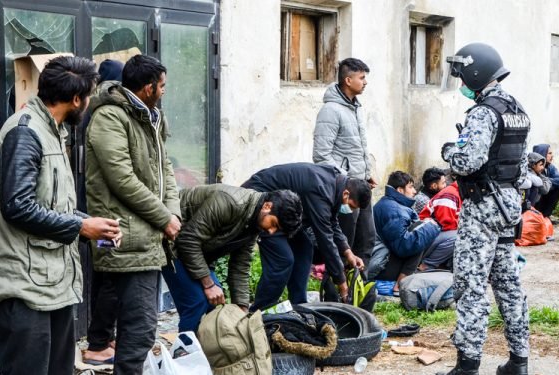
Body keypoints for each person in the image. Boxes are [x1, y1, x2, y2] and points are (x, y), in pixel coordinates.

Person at [0, 56, 121, 375]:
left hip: (53, 284)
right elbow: (17, 206)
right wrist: (81, 224)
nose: (90, 103)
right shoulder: (25, 132)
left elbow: (51, 206)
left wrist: (93, 227)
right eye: (90, 96)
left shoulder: (53, 132)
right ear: (77, 99)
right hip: (22, 288)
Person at [86, 54, 182, 374]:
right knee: (140, 327)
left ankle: (100, 344)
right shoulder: (111, 118)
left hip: (145, 234)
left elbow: (165, 168)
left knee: (130, 320)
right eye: (162, 85)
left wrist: (173, 211)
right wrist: (164, 218)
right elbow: (121, 179)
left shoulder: (150, 116)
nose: (165, 91)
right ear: (147, 87)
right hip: (123, 235)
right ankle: (99, 346)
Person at [440, 42, 530, 375]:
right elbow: (521, 169)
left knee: (471, 286)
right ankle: (519, 361)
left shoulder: (483, 112)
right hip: (508, 205)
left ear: (475, 73)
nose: (461, 80)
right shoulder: (516, 108)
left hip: (481, 207)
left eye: (463, 73)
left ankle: (468, 365)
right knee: (508, 286)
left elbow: (467, 161)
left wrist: (450, 151)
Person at [164, 185, 302, 332]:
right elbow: (188, 240)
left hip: (195, 250)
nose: (271, 231)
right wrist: (209, 285)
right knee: (197, 302)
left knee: (215, 304)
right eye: (274, 224)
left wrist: (242, 307)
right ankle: (184, 350)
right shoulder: (230, 202)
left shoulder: (254, 224)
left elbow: (240, 267)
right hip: (172, 243)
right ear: (267, 206)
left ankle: (208, 347)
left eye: (277, 230)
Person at [242, 162, 370, 312]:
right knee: (282, 260)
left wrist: (348, 252)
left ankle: (299, 305)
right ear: (346, 194)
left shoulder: (335, 185)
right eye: (352, 206)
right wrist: (341, 282)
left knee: (304, 247)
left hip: (285, 213)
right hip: (264, 206)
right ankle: (260, 312)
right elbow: (325, 238)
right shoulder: (321, 190)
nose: (350, 210)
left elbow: (331, 223)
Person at [313, 58, 376, 269]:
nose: (365, 82)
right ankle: (338, 292)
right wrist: (347, 180)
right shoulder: (331, 110)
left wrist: (366, 173)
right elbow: (322, 156)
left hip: (361, 185)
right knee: (344, 243)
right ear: (348, 80)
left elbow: (354, 147)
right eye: (362, 77)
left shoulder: (355, 108)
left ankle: (360, 289)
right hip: (345, 190)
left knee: (367, 238)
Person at [82, 58, 124, 366]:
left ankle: (103, 337)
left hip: (98, 209)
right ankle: (97, 345)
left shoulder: (93, 112)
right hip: (105, 212)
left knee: (104, 276)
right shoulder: (106, 116)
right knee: (109, 277)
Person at [369, 171, 440, 293]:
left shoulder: (391, 203)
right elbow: (404, 246)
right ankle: (401, 283)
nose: (415, 191)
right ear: (400, 190)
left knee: (421, 231)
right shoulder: (394, 210)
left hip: (383, 260)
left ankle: (404, 278)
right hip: (381, 268)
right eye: (411, 187)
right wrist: (431, 226)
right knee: (420, 237)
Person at [531, 144, 559, 219]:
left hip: (544, 195)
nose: (552, 156)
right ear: (542, 154)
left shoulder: (550, 167)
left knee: (557, 188)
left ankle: (546, 216)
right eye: (549, 153)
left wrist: (546, 181)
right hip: (533, 203)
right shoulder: (531, 168)